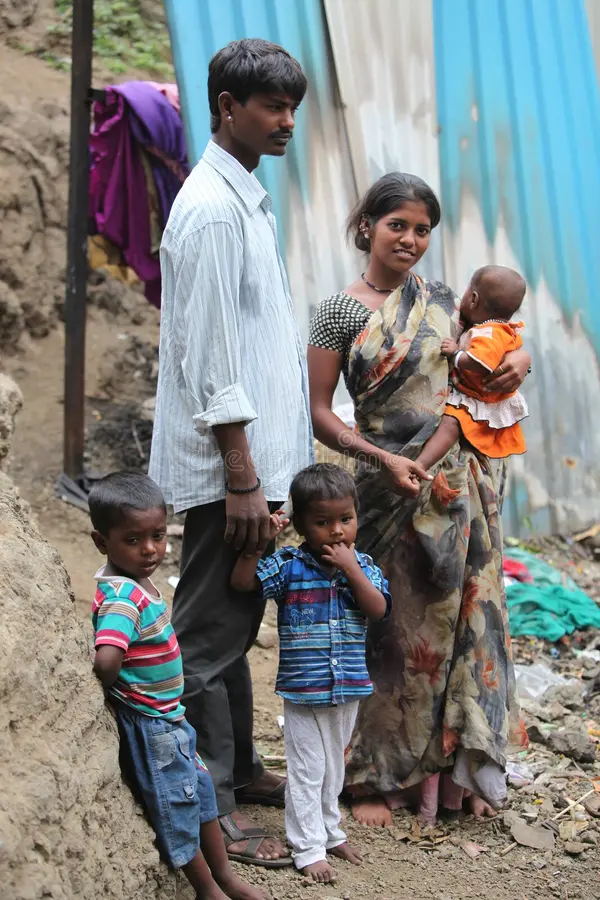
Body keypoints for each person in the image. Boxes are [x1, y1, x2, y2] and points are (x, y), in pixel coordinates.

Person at [307, 172, 530, 828]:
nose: (408, 239)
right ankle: (371, 772)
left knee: (458, 630)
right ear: (367, 227)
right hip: (383, 489)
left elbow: (495, 351)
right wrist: (381, 459)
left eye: (422, 229)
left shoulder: (443, 301)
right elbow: (320, 413)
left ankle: (445, 779)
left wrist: (525, 362)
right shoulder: (339, 313)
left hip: (458, 491)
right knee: (390, 631)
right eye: (396, 225)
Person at [149, 39, 313, 866]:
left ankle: (241, 768)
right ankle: (209, 804)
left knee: (234, 623)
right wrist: (244, 476)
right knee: (208, 635)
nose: (287, 122)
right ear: (225, 107)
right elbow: (211, 358)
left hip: (250, 467)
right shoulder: (212, 208)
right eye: (271, 107)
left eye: (293, 107)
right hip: (228, 472)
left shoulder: (240, 199)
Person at [88, 472, 270, 900]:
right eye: (133, 540)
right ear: (102, 542)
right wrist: (114, 692)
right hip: (154, 726)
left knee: (202, 793)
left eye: (156, 535)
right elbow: (107, 658)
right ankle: (206, 888)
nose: (150, 549)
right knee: (179, 806)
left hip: (171, 719)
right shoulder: (121, 598)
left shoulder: (136, 583)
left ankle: (224, 877)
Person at [231, 464, 391, 883]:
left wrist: (352, 569)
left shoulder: (365, 566)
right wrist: (260, 545)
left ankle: (330, 831)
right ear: (301, 524)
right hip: (304, 690)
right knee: (307, 769)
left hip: (349, 686)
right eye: (322, 522)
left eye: (345, 519)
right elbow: (243, 583)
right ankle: (307, 848)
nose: (337, 531)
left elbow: (378, 609)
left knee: (334, 768)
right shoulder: (288, 565)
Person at [416, 265, 528, 471]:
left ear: (474, 299)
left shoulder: (488, 333)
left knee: (451, 423)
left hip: (478, 398)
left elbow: (482, 363)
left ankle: (420, 465)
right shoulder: (497, 329)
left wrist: (456, 355)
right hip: (478, 394)